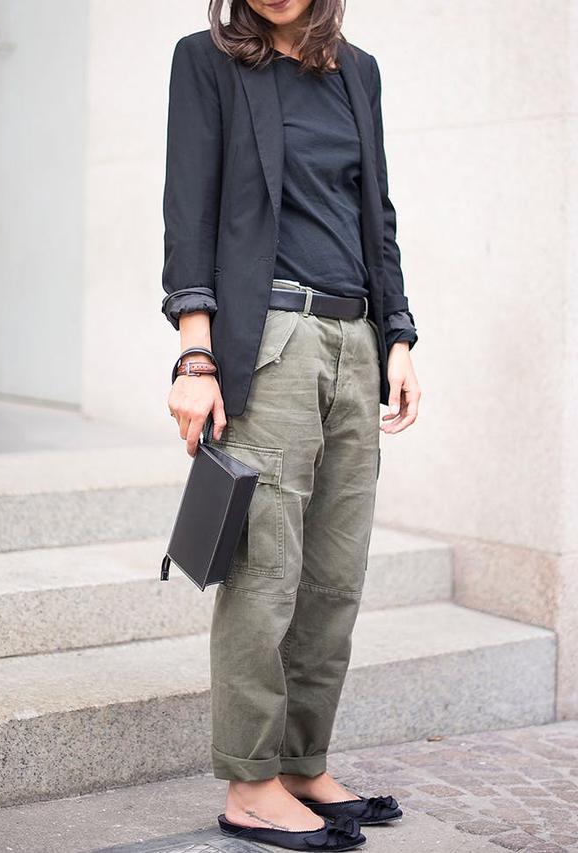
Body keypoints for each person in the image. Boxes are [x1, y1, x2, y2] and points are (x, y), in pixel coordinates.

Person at [163, 1, 421, 849]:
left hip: (355, 338)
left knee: (335, 572)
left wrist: (399, 336)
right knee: (266, 570)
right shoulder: (207, 61)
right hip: (271, 338)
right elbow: (189, 212)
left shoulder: (358, 72)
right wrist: (195, 357)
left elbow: (376, 214)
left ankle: (303, 763)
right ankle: (250, 783)